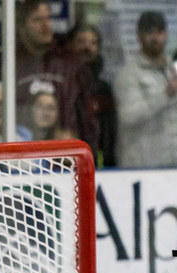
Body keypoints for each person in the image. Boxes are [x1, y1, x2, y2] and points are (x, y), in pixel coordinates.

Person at [0, 0, 98, 153]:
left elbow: (87, 118)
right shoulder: (3, 63)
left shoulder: (71, 65)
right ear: (20, 26)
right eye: (37, 19)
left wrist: (88, 152)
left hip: (64, 159)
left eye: (48, 18)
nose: (46, 25)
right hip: (18, 159)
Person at [114, 11, 177, 168]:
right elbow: (128, 115)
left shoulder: (175, 69)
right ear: (139, 37)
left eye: (159, 32)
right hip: (142, 167)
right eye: (149, 32)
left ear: (166, 34)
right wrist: (165, 95)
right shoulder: (128, 74)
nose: (155, 38)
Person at [68, 24, 117, 167]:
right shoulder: (63, 84)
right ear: (71, 45)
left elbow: (108, 130)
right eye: (81, 41)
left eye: (93, 43)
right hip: (68, 160)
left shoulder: (103, 89)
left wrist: (108, 160)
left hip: (97, 159)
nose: (87, 47)